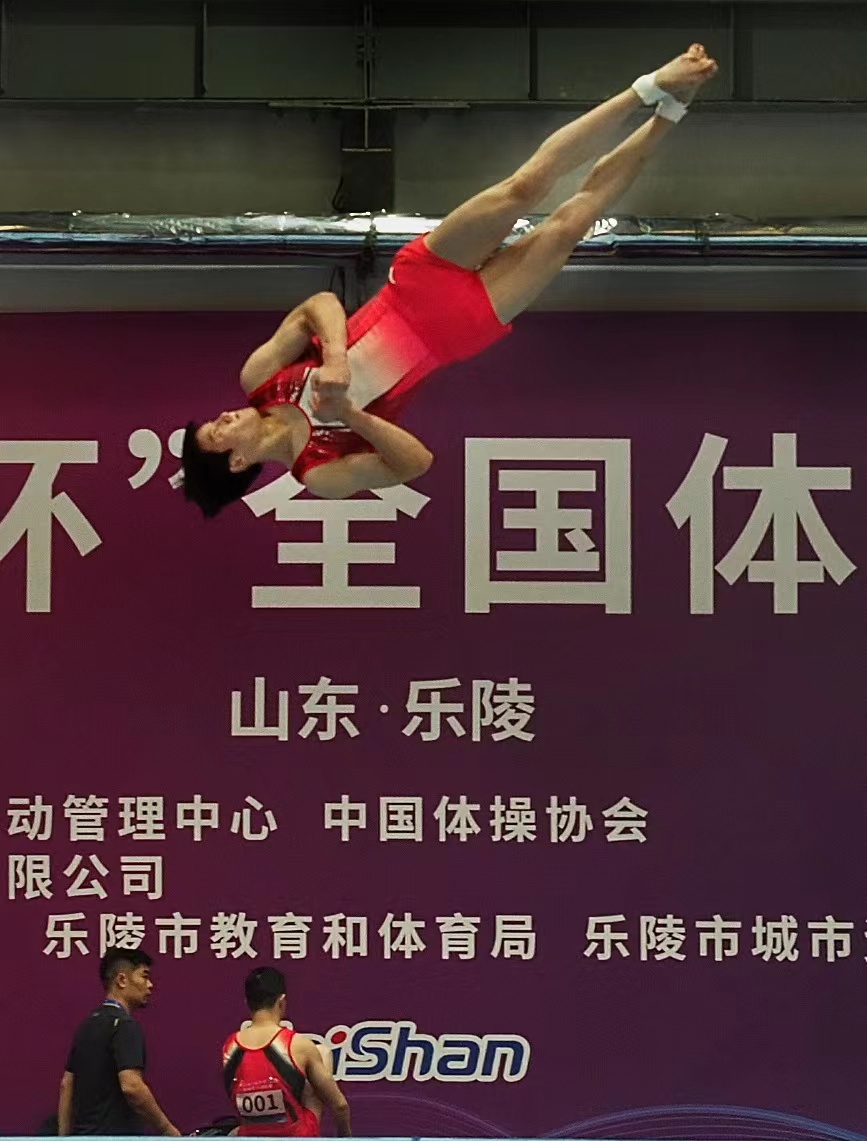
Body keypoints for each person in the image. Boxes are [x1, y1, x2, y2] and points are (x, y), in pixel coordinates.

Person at [179, 46, 718, 514]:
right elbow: (414, 463)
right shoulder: (319, 471)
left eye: (214, 421)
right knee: (570, 223)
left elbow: (316, 305)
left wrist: (336, 356)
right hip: (456, 331)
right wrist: (349, 416)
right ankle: (672, 111)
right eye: (218, 432)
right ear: (238, 461)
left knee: (524, 187)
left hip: (417, 282)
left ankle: (651, 86)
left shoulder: (260, 379)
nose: (223, 417)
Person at [58, 948, 180, 1137]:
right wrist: (167, 1129)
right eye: (144, 976)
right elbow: (132, 1086)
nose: (150, 985)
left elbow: (67, 1085)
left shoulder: (87, 1025)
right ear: (122, 980)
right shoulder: (125, 1025)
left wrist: (62, 1139)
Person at [221, 967, 350, 1138]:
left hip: (249, 1135)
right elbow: (340, 1106)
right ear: (281, 1001)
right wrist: (345, 1137)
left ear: (247, 1003)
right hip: (297, 1136)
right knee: (322, 1051)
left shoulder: (229, 1046)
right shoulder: (298, 1044)